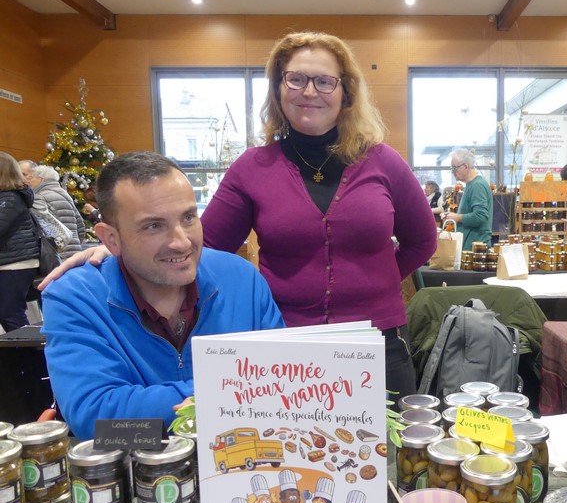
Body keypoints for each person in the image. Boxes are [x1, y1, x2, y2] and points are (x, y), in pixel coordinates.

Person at [43, 31, 437, 404]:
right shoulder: (253, 168)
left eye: (324, 81)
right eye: (296, 79)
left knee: (386, 446)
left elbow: (422, 241)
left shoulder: (384, 162)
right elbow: (199, 242)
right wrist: (118, 250)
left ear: (345, 92)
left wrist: (376, 280)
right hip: (287, 343)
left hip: (378, 341)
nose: (309, 92)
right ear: (278, 89)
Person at [40, 152, 285, 440]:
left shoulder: (241, 279)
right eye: (153, 226)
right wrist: (227, 396)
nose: (181, 242)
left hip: (240, 455)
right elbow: (98, 425)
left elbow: (284, 385)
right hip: (137, 466)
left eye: (188, 217)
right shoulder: (74, 297)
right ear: (111, 239)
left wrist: (182, 405)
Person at [0, 153, 39, 333]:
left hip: (15, 263)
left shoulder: (10, 198)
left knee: (11, 314)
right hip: (11, 262)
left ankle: (28, 349)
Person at [20, 163, 86, 259]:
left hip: (58, 255)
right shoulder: (66, 195)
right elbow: (81, 227)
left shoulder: (39, 197)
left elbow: (41, 228)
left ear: (41, 179)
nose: (29, 181)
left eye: (32, 178)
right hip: (75, 254)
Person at [442, 148, 492, 250]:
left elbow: (480, 216)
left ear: (465, 166)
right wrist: (453, 216)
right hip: (471, 246)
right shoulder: (471, 184)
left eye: (454, 168)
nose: (452, 172)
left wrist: (457, 217)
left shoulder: (477, 185)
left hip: (476, 248)